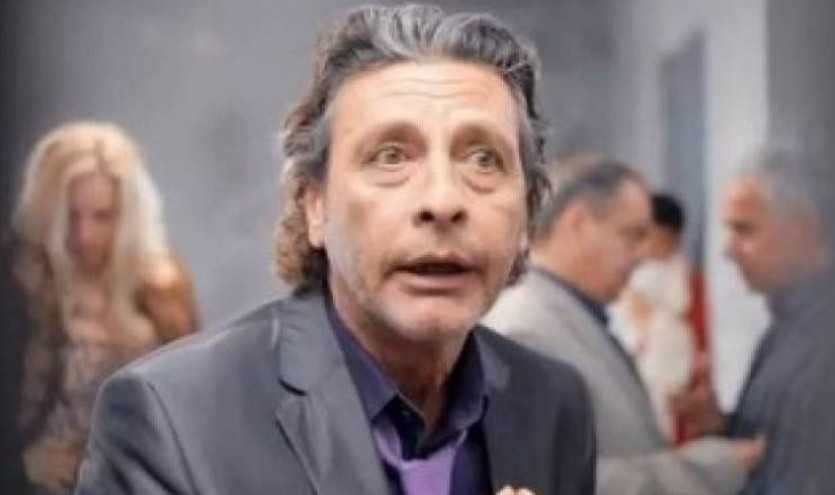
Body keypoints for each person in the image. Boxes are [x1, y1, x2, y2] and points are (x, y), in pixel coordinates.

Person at [74, 5, 596, 495]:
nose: (442, 201)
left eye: (483, 159)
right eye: (391, 156)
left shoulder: (553, 404)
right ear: (314, 205)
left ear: (527, 210)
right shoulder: (172, 417)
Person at [484, 155, 762, 495]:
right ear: (578, 223)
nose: (643, 255)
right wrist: (708, 468)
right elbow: (543, 482)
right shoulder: (523, 329)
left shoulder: (567, 313)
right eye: (632, 236)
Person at [11, 121, 199, 494]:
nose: (84, 235)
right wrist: (20, 463)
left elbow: (190, 403)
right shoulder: (18, 290)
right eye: (71, 216)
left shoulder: (162, 289)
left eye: (102, 216)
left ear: (127, 215)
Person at [720, 147, 835, 494]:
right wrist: (721, 426)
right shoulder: (786, 324)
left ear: (802, 228)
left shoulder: (823, 336)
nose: (728, 251)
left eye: (744, 230)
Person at [609, 193, 696, 440]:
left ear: (672, 240)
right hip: (637, 347)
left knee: (657, 405)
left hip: (663, 348)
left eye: (651, 237)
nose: (644, 245)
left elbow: (678, 306)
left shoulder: (675, 272)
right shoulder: (630, 269)